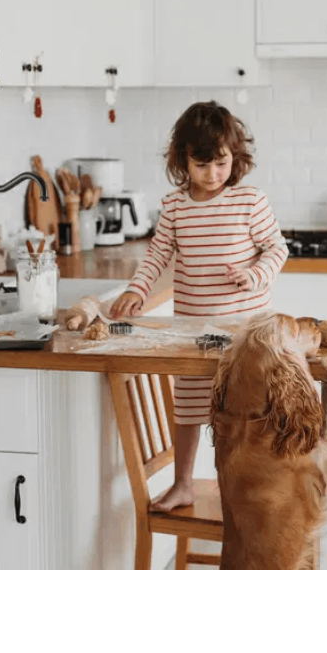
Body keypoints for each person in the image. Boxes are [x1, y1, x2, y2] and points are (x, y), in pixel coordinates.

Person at [110, 101, 288, 512]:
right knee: (189, 406)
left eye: (221, 163)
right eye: (202, 165)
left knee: (242, 409)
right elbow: (157, 254)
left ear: (235, 157)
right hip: (194, 329)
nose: (212, 175)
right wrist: (137, 290)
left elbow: (277, 248)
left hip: (244, 331)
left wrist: (255, 275)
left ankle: (240, 486)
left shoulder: (249, 201)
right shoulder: (175, 206)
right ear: (183, 160)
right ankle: (183, 484)